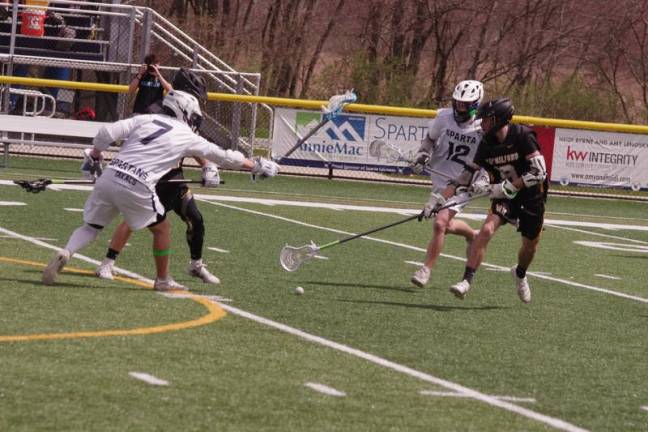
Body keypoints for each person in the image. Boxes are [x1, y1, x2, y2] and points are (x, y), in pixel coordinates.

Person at [42, 90, 280, 290]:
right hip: (137, 184)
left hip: (110, 175)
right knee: (162, 228)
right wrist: (256, 164)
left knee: (90, 227)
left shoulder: (143, 119)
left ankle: (67, 251)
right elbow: (224, 156)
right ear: (184, 111)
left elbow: (106, 133)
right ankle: (163, 280)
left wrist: (94, 157)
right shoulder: (186, 135)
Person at [95, 68, 224, 285]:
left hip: (174, 177)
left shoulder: (186, 108)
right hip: (151, 175)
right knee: (132, 221)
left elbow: (192, 143)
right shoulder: (163, 108)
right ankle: (107, 263)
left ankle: (196, 265)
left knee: (196, 219)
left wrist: (208, 166)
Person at [446, 98, 548, 303]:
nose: (481, 123)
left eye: (485, 119)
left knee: (530, 246)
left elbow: (540, 172)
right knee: (485, 230)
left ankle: (519, 273)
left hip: (531, 196)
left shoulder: (522, 136)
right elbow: (469, 173)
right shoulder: (486, 143)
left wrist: (512, 185)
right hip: (505, 197)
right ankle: (466, 282)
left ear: (498, 120)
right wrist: (442, 199)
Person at [410, 80, 485, 288]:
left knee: (440, 223)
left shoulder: (483, 127)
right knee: (446, 224)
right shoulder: (443, 116)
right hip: (440, 178)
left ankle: (425, 270)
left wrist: (485, 178)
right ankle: (472, 234)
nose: (459, 107)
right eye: (457, 103)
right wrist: (422, 156)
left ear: (475, 104)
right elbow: (430, 140)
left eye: (465, 104)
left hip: (465, 182)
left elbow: (488, 156)